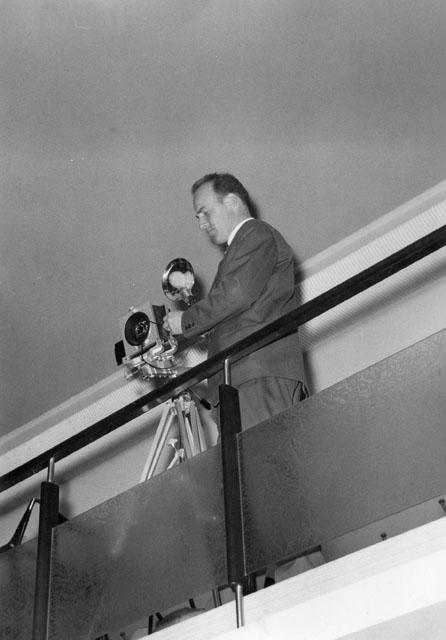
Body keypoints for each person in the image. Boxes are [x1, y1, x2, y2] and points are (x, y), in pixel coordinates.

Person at [163, 172, 308, 431]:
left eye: (205, 212)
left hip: (254, 375)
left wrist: (186, 320)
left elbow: (236, 294)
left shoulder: (255, 233)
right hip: (238, 382)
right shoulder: (239, 250)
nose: (202, 224)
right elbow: (235, 311)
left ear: (231, 201)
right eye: (198, 218)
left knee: (261, 453)